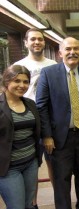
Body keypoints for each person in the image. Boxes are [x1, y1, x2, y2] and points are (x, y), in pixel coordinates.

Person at [36, 37, 79, 209]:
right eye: (68, 49)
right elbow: (41, 107)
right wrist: (46, 136)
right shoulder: (48, 73)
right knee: (61, 180)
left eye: (76, 48)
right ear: (60, 53)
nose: (72, 52)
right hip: (59, 139)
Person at [14, 28, 56, 209]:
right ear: (26, 42)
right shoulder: (18, 66)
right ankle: (33, 203)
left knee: (53, 163)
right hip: (28, 121)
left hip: (50, 120)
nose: (37, 42)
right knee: (32, 166)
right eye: (33, 39)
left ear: (44, 42)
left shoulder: (53, 64)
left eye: (40, 39)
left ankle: (59, 199)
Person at [0, 65, 41, 209]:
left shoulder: (30, 104)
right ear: (7, 81)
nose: (22, 85)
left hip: (30, 163)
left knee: (29, 204)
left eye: (25, 81)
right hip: (8, 168)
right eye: (17, 81)